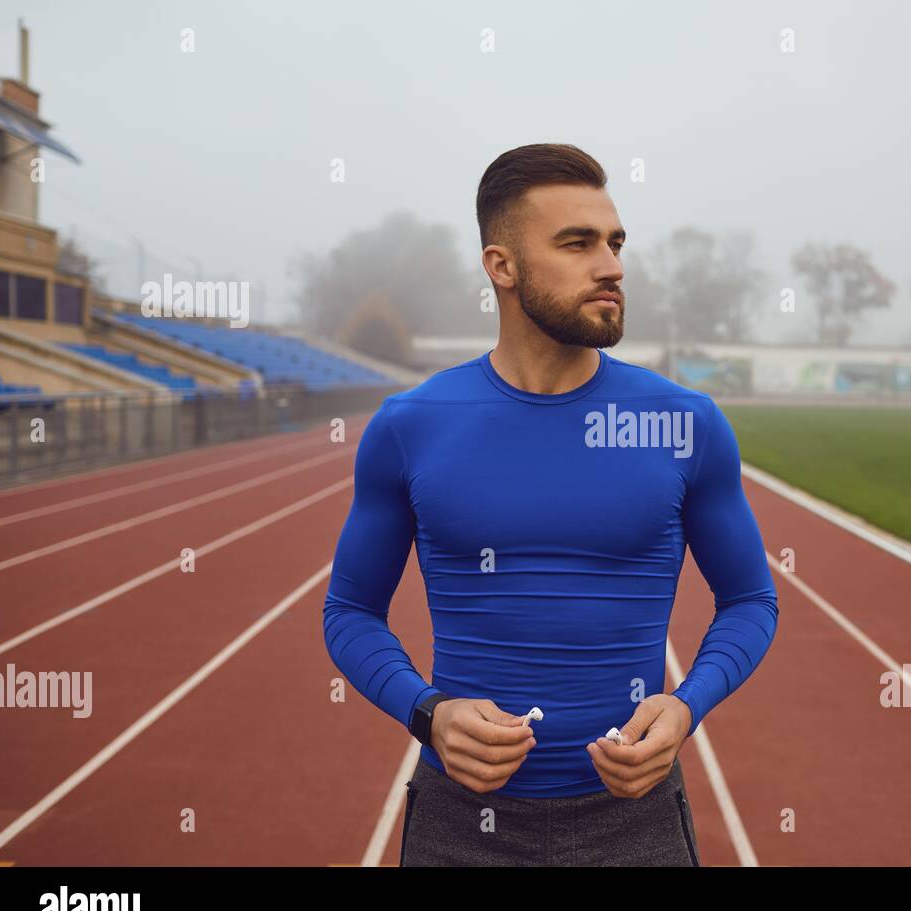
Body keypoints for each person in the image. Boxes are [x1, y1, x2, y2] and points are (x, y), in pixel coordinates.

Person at [322, 143, 779, 866]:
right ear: (501, 266)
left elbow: (751, 598)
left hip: (634, 822)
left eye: (615, 242)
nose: (612, 266)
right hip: (460, 825)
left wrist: (687, 703)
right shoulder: (410, 426)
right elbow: (349, 612)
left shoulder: (685, 423)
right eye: (578, 243)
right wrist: (428, 712)